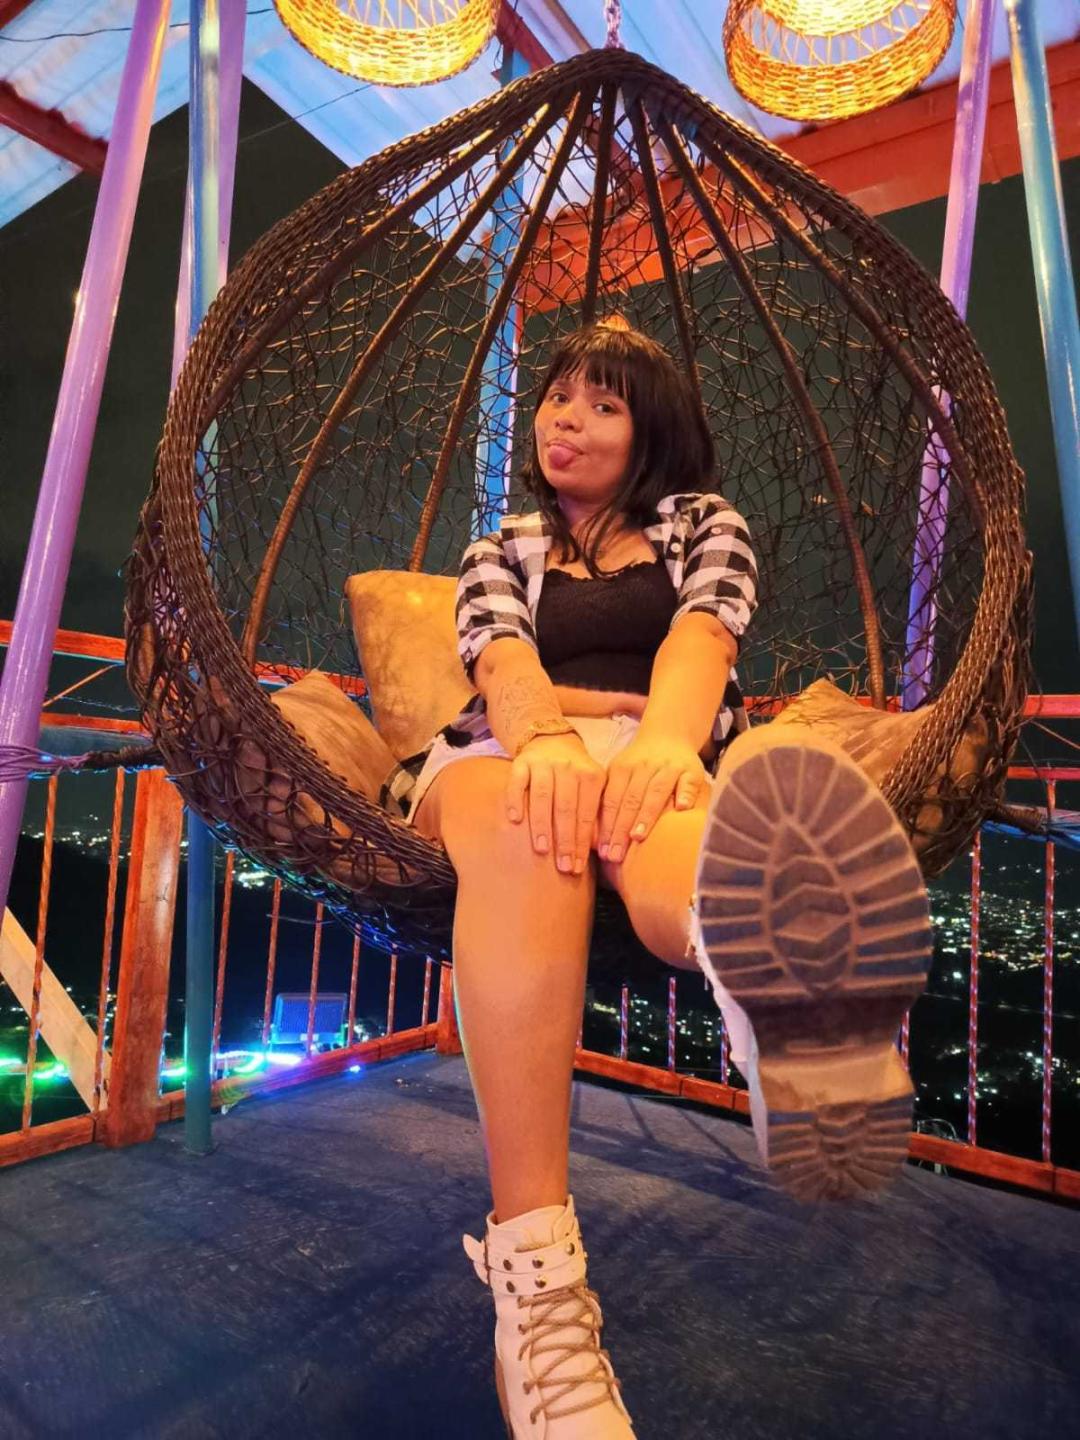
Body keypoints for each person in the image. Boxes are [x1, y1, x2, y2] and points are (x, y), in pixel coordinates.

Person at [384, 319, 931, 1439]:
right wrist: (553, 736)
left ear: (652, 435)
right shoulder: (504, 545)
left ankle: (773, 981)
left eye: (604, 405)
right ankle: (539, 1293)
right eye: (558, 398)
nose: (566, 420)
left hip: (650, 751)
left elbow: (702, 644)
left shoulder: (700, 525)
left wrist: (665, 744)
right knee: (532, 823)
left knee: (678, 833)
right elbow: (502, 662)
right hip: (499, 756)